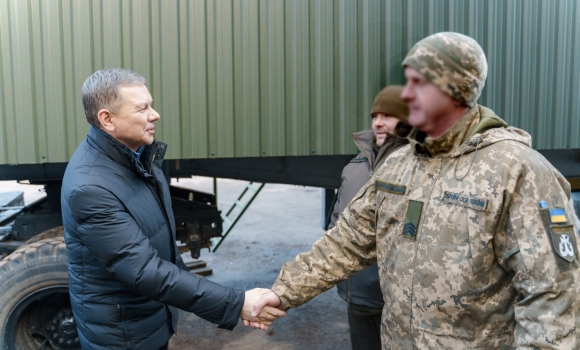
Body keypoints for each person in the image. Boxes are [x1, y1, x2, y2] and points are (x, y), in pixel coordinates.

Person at [249, 32, 579, 348]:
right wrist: (282, 291)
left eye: (418, 83)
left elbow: (554, 293)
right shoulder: (400, 164)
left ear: (456, 88)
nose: (405, 94)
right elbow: (346, 242)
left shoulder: (517, 170)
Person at [61, 68, 284, 350]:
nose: (154, 115)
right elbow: (146, 271)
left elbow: (164, 252)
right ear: (107, 119)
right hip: (123, 338)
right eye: (142, 109)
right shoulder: (90, 188)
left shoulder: (139, 158)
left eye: (150, 105)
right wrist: (237, 302)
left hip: (147, 324)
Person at [328, 85, 411, 350]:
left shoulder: (419, 168)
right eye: (375, 116)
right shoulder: (354, 168)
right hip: (358, 298)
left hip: (400, 304)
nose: (378, 123)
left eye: (388, 115)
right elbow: (335, 226)